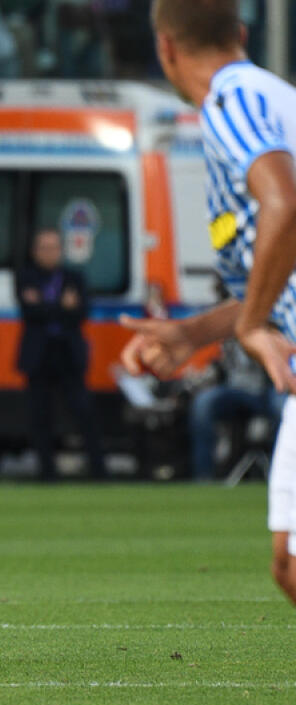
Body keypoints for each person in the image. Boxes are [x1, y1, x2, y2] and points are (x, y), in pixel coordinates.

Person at [120, 0, 296, 606]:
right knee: (289, 565)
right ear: (240, 34)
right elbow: (283, 270)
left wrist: (248, 324)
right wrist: (195, 334)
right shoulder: (268, 97)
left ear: (166, 49)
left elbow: (284, 202)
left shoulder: (230, 101)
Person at [16, 228, 105, 480]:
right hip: (39, 354)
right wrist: (60, 307)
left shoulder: (73, 277)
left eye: (54, 247)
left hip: (68, 353)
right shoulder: (26, 277)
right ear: (35, 252)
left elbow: (80, 314)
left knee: (84, 411)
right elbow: (30, 312)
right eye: (44, 248)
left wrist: (46, 306)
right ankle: (47, 471)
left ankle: (98, 470)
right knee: (40, 415)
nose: (49, 253)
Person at [188, 338, 282, 481]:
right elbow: (221, 366)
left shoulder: (267, 324)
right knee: (203, 403)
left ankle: (281, 471)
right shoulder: (226, 330)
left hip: (267, 387)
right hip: (233, 388)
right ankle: (204, 476)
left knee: (282, 406)